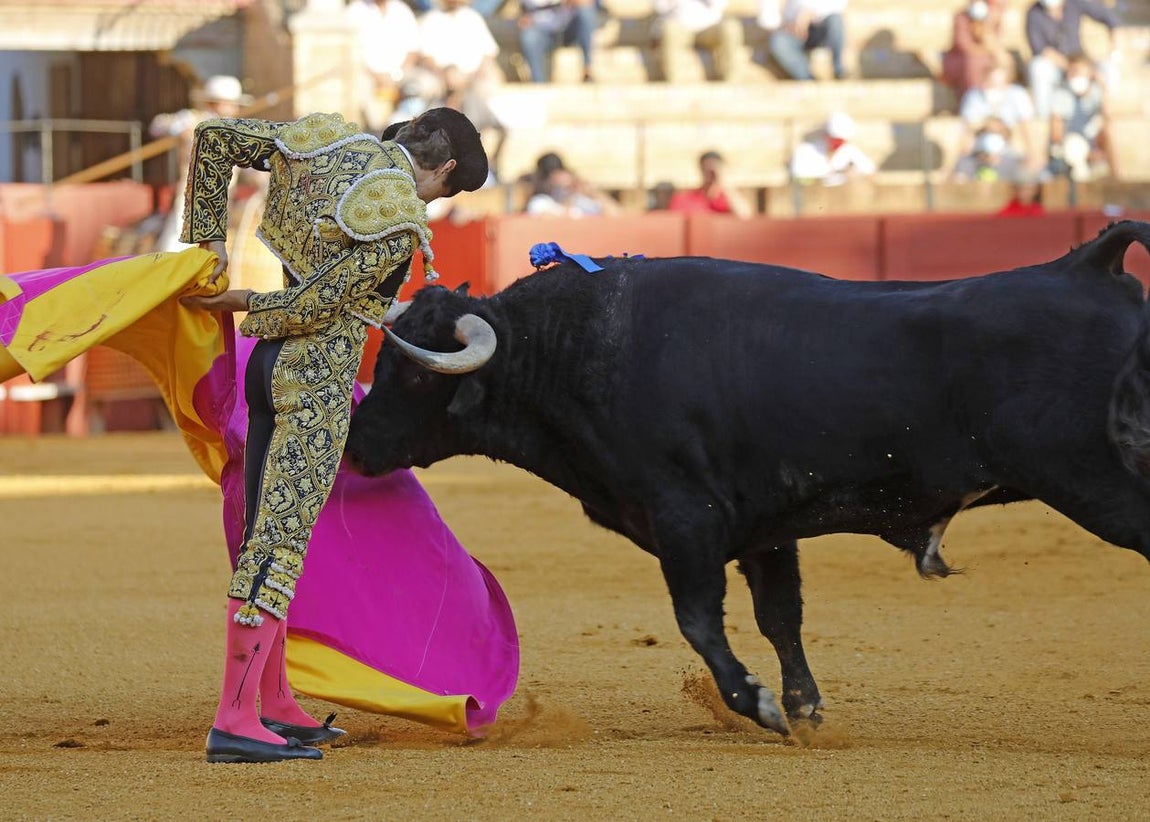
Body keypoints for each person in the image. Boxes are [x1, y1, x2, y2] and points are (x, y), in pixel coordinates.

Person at [178, 106, 490, 763]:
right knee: (279, 542)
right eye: (446, 191)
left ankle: (274, 701)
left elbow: (213, 139)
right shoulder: (398, 213)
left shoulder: (327, 142)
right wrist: (243, 303)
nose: (434, 203)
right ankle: (234, 718)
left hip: (264, 373)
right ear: (446, 168)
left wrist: (209, 247)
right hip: (314, 381)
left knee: (266, 531)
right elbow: (314, 306)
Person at [148, 75, 252, 253]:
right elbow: (157, 126)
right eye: (229, 104)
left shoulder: (238, 133)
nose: (233, 109)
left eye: (235, 105)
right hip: (193, 196)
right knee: (179, 245)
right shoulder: (194, 120)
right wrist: (180, 130)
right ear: (215, 103)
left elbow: (251, 168)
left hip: (221, 202)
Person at [1025, 0, 1120, 119]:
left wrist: (1114, 49)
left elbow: (1109, 18)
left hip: (1080, 60)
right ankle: (1043, 117)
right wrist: (1074, 69)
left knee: (1108, 69)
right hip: (1057, 66)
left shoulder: (1075, 3)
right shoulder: (1034, 13)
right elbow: (1042, 50)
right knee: (1038, 67)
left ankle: (1106, 112)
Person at [957, 57, 1042, 174]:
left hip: (1010, 151)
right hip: (979, 151)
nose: (992, 86)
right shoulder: (974, 96)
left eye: (996, 82)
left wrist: (1032, 153)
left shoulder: (1018, 95)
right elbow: (968, 129)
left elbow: (1026, 126)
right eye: (989, 82)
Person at [346, 0, 420, 131]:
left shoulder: (402, 11)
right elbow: (350, 52)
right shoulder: (355, 10)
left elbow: (413, 50)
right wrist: (376, 76)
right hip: (366, 74)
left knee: (421, 85)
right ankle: (376, 131)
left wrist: (397, 75)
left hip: (400, 74)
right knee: (359, 87)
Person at [1048, 53, 1115, 181]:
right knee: (1073, 149)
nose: (1076, 76)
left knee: (1110, 132)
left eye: (1080, 72)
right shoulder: (1061, 94)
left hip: (1092, 146)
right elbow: (1056, 134)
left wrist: (1103, 88)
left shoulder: (1096, 93)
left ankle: (1116, 176)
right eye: (1073, 72)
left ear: (1090, 73)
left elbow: (1108, 119)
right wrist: (1085, 154)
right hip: (1069, 148)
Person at [652, 0, 743, 82]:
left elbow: (721, 4)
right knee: (669, 29)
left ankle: (731, 81)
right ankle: (675, 83)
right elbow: (659, 7)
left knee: (731, 28)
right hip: (680, 25)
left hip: (710, 27)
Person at [757, 0, 848, 81]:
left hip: (822, 25)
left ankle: (839, 71)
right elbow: (767, 16)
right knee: (778, 42)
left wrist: (812, 13)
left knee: (836, 21)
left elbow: (839, 6)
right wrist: (784, 24)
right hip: (793, 30)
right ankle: (807, 79)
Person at [941, 0, 1010, 101]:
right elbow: (964, 45)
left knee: (1002, 61)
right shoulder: (962, 18)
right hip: (961, 61)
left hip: (986, 55)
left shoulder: (992, 19)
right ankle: (971, 100)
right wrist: (986, 50)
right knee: (974, 62)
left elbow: (996, 43)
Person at [518, 0, 601, 83]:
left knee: (586, 13)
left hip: (568, 26)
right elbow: (524, 11)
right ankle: (538, 83)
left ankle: (588, 69)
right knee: (529, 37)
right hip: (541, 30)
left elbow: (591, 3)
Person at [789, 111, 876, 186]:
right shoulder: (805, 151)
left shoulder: (849, 150)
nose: (837, 145)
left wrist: (854, 176)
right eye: (835, 140)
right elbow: (799, 179)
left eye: (841, 142)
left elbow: (871, 172)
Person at [524, 155, 620, 216]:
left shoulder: (580, 201)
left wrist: (592, 192)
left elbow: (615, 214)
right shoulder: (540, 202)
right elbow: (548, 219)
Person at [667, 150, 753, 217]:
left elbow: (745, 216)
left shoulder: (729, 200)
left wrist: (724, 181)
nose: (710, 173)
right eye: (706, 168)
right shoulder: (685, 198)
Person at [951, 125, 1026, 182]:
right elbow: (960, 182)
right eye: (987, 133)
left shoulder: (1012, 162)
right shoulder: (966, 161)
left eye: (996, 133)